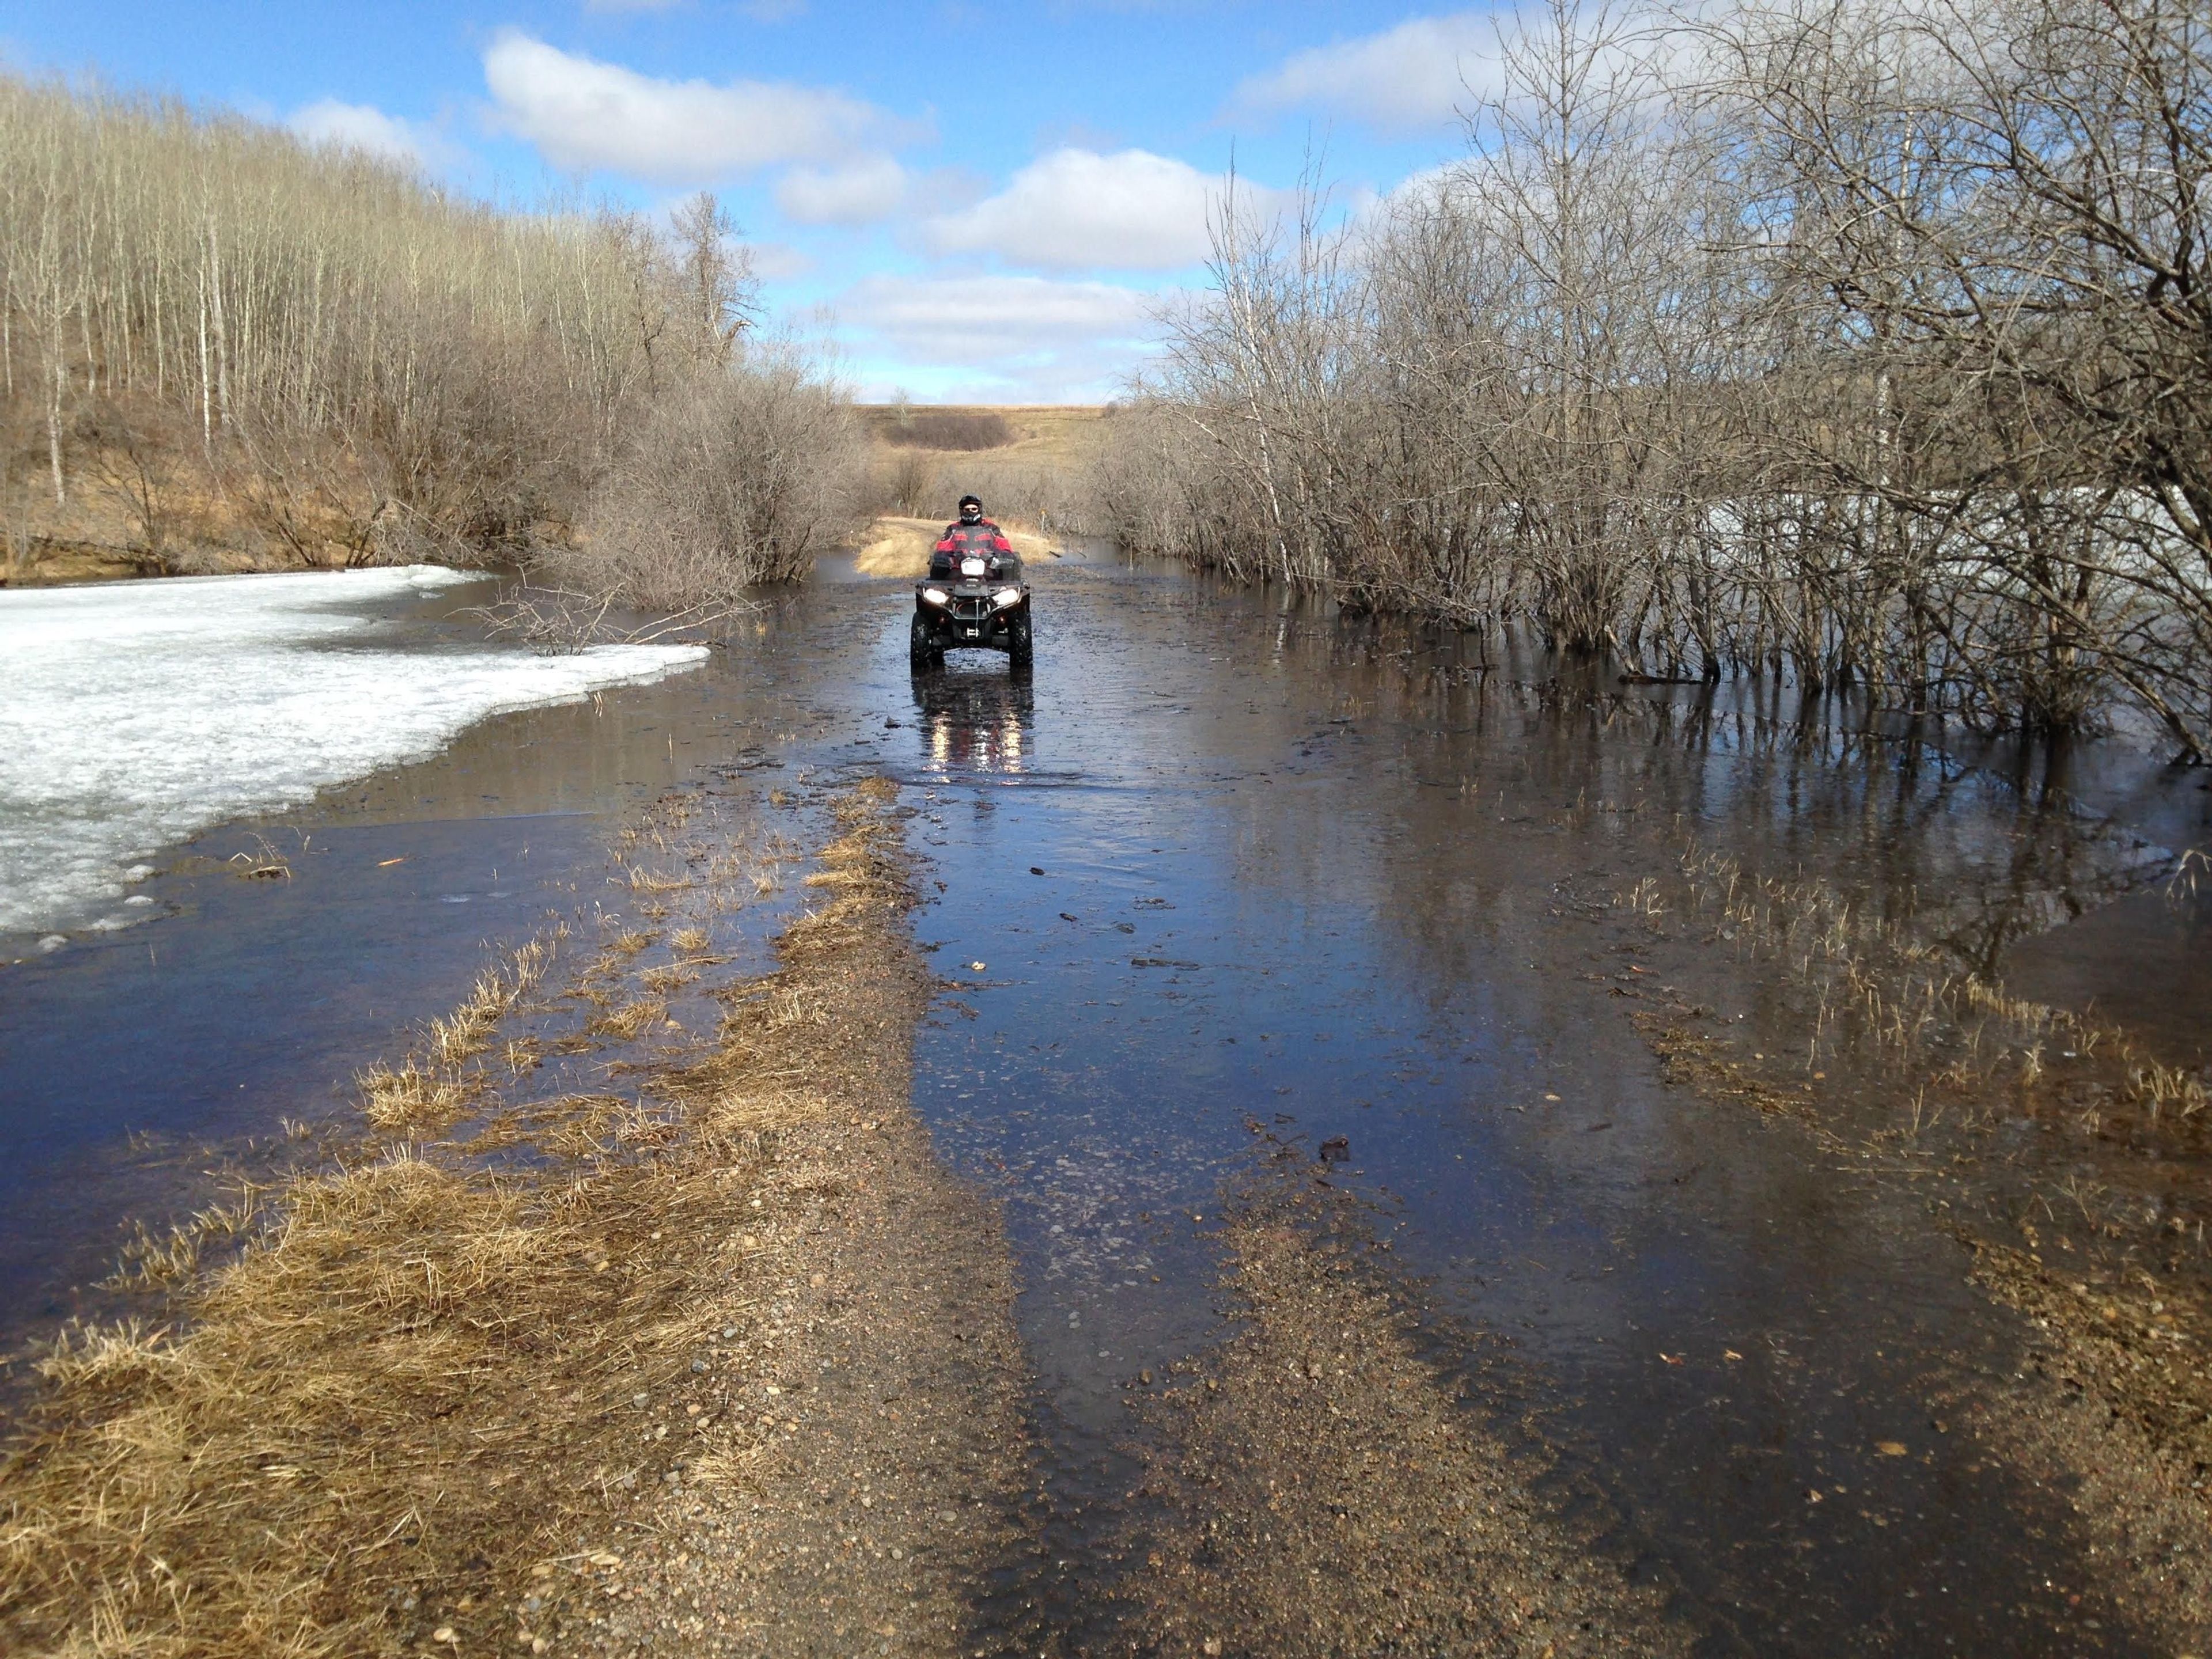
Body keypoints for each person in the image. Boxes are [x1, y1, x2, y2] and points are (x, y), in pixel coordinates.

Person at [931, 495, 1015, 577]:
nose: (970, 512)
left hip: (987, 570)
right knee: (937, 575)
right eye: (967, 510)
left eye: (974, 509)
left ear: (979, 510)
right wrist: (944, 555)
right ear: (962, 511)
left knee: (1009, 568)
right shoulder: (953, 529)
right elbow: (944, 547)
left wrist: (1004, 553)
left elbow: (1003, 545)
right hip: (958, 571)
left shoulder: (991, 528)